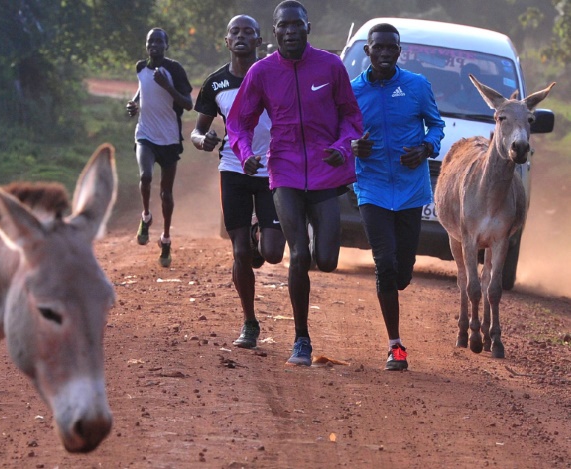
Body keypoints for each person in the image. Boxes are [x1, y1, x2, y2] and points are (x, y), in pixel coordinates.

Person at [226, 1, 363, 366]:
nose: (290, 31)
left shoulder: (331, 66)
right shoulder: (262, 72)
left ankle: (312, 242)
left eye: (296, 25)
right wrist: (244, 154)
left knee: (327, 260)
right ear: (274, 32)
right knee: (298, 255)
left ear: (308, 27)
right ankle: (301, 338)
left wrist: (340, 146)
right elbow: (239, 121)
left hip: (325, 172)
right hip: (283, 170)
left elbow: (351, 116)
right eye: (283, 26)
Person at [350, 23, 445, 370]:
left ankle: (400, 273)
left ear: (399, 51)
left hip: (410, 190)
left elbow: (436, 125)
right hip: (371, 186)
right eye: (379, 48)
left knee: (401, 273)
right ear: (368, 51)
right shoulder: (352, 91)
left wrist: (425, 148)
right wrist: (352, 146)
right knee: (384, 264)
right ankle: (395, 346)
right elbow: (336, 133)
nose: (385, 54)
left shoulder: (417, 86)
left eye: (392, 48)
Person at [191, 15, 286, 349]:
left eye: (249, 32)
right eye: (235, 32)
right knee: (241, 251)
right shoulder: (215, 83)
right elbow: (197, 129)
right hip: (233, 170)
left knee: (272, 254)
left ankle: (260, 228)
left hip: (274, 171)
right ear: (227, 41)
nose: (241, 36)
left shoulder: (276, 75)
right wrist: (201, 140)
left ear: (259, 41)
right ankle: (249, 322)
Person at [126, 28, 193, 267]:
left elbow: (188, 104)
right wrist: (134, 103)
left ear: (166, 45)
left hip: (169, 139)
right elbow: (142, 87)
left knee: (166, 193)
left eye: (158, 41)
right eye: (150, 41)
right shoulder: (140, 67)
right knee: (145, 176)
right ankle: (146, 216)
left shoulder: (174, 70)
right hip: (145, 134)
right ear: (146, 46)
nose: (154, 44)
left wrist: (167, 86)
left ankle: (165, 240)